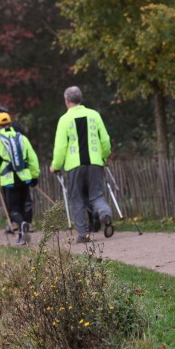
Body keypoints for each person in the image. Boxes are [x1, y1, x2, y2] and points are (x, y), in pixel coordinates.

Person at [50, 86, 113, 243]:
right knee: (96, 195)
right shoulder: (94, 115)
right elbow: (105, 139)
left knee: (77, 199)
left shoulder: (64, 120)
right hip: (95, 163)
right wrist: (104, 156)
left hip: (74, 166)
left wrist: (55, 165)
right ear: (81, 99)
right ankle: (105, 213)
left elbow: (60, 147)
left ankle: (83, 234)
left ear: (67, 101)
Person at [0, 112, 40, 245]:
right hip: (24, 178)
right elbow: (32, 158)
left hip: (9, 180)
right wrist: (34, 175)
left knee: (13, 210)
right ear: (10, 124)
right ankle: (23, 235)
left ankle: (21, 224)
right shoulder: (22, 138)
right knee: (23, 206)